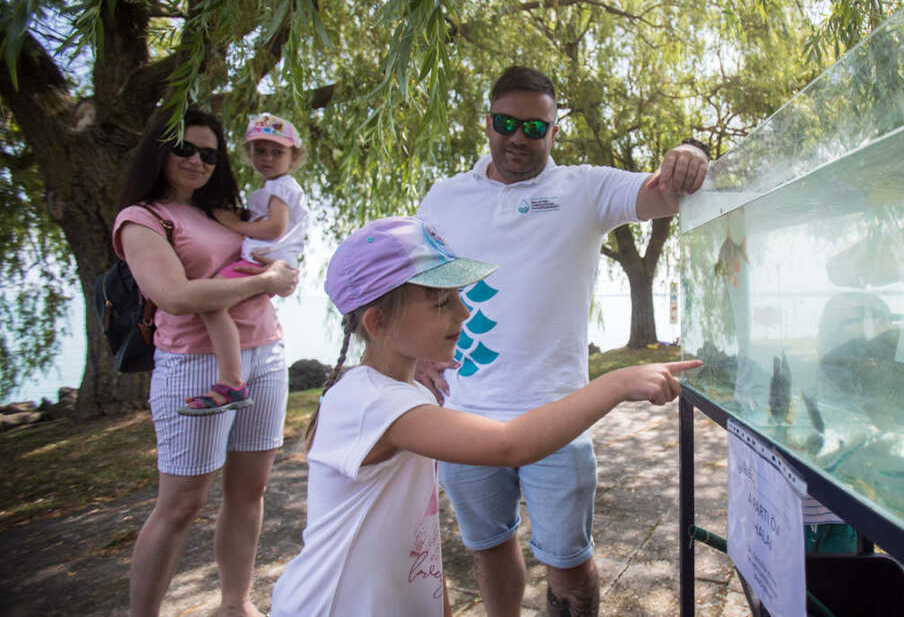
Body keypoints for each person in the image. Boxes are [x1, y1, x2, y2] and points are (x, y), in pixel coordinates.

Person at [268, 216, 701, 616]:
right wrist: (616, 384)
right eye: (441, 303)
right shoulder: (373, 402)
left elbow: (415, 533)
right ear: (378, 323)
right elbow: (509, 444)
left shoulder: (398, 392)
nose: (464, 313)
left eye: (459, 298)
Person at [414, 65, 710, 615]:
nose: (518, 137)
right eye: (506, 122)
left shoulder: (585, 188)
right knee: (489, 549)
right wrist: (414, 361)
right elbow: (417, 282)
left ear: (554, 132)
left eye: (535, 127)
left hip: (559, 419)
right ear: (488, 124)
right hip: (465, 419)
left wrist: (689, 153)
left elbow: (667, 194)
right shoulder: (444, 196)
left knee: (570, 570)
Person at [112, 108, 299, 617]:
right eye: (185, 149)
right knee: (182, 503)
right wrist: (263, 282)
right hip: (196, 364)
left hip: (265, 352)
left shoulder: (224, 209)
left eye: (210, 153)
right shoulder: (143, 219)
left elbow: (269, 249)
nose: (197, 160)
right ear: (160, 151)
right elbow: (174, 296)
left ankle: (235, 605)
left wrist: (279, 268)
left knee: (250, 490)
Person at [183, 113, 310, 416]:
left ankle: (230, 382)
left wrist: (230, 223)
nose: (267, 158)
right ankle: (232, 378)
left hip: (263, 263)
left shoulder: (281, 187)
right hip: (265, 263)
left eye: (277, 152)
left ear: (293, 157)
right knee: (215, 303)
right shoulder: (273, 188)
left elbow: (274, 229)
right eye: (260, 150)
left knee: (210, 301)